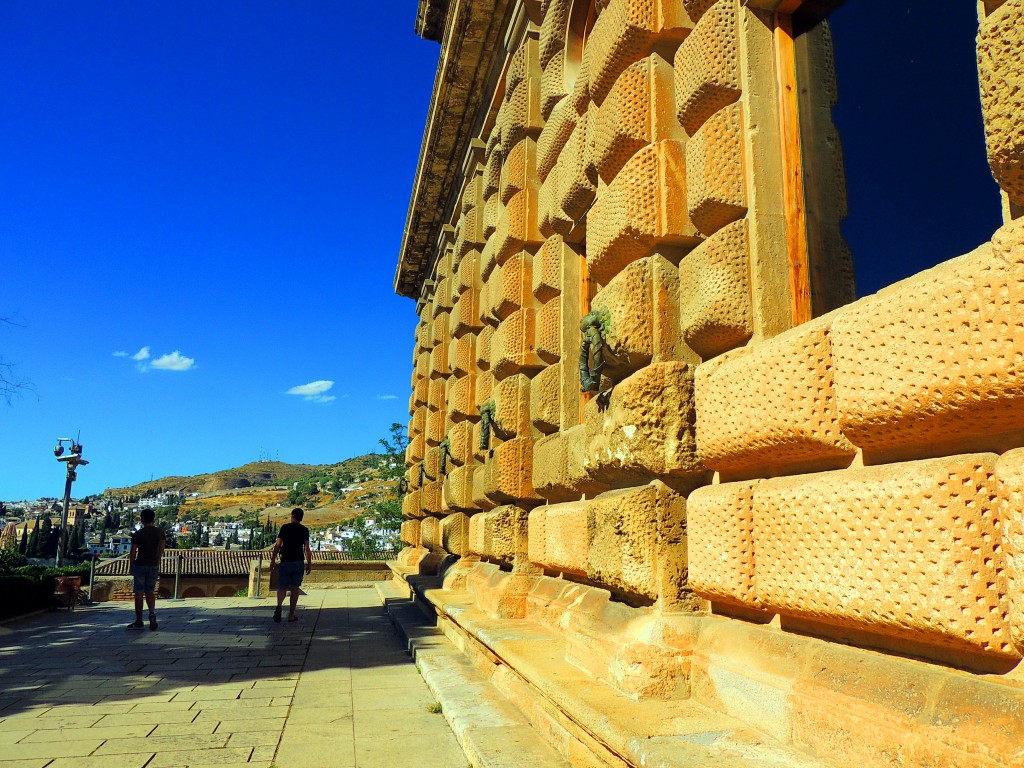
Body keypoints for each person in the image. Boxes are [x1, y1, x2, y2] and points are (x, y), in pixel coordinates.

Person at [270, 507, 312, 623]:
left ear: (292, 516)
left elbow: (278, 545)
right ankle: (291, 615)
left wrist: (273, 560)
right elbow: (307, 549)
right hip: (298, 562)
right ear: (301, 518)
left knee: (282, 587)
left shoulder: (285, 528)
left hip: (285, 561)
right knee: (295, 588)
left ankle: (279, 605)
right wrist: (309, 563)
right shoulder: (304, 530)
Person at [128, 508, 165, 630]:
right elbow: (161, 549)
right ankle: (152, 613)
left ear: (142, 519)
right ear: (153, 519)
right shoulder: (160, 533)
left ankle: (139, 620)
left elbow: (133, 552)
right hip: (153, 565)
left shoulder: (138, 534)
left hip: (140, 565)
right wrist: (157, 560)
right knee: (150, 591)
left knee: (139, 592)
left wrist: (131, 566)